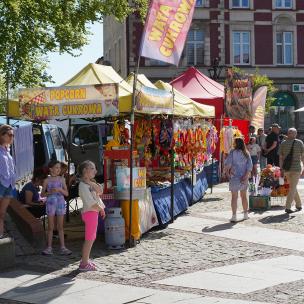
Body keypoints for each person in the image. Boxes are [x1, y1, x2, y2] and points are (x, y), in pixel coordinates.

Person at [78, 160, 105, 271]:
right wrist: (101, 210)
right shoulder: (82, 186)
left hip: (92, 213)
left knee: (92, 237)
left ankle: (85, 259)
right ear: (85, 170)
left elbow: (100, 191)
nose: (95, 170)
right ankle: (84, 264)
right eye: (92, 168)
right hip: (90, 213)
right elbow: (90, 202)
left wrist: (90, 182)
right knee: (89, 238)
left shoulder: (89, 183)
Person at [41, 160, 71, 255]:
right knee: (50, 226)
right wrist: (50, 192)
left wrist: (59, 189)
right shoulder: (46, 180)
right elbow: (42, 194)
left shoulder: (62, 179)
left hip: (60, 203)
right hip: (50, 204)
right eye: (57, 167)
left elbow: (66, 193)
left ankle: (63, 247)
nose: (59, 169)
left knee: (60, 226)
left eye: (59, 168)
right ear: (51, 169)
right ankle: (49, 247)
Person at [224, 137, 253, 223]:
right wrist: (246, 175)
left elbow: (227, 165)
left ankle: (234, 216)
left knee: (234, 197)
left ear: (236, 143)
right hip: (244, 177)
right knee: (244, 196)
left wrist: (228, 174)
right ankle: (245, 214)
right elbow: (249, 166)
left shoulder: (232, 152)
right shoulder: (246, 153)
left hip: (234, 177)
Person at [279, 128, 304, 214]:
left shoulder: (283, 143)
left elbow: (281, 158)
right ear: (295, 134)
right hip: (296, 168)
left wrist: (281, 168)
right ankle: (288, 207)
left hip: (286, 169)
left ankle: (299, 204)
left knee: (293, 187)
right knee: (293, 187)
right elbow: (303, 157)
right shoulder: (300, 143)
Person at [0, 125, 16, 239]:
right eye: (10, 135)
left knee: (2, 213)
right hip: (1, 183)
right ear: (2, 135)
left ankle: (0, 235)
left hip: (9, 184)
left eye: (13, 135)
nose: (12, 137)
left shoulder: (8, 149)